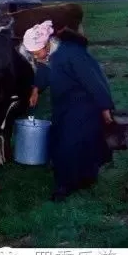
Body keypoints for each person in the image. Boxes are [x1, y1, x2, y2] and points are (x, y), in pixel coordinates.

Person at [23, 20, 115, 202]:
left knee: (69, 144)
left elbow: (94, 80)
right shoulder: (49, 55)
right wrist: (35, 88)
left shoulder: (72, 54)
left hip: (84, 105)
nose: (35, 58)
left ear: (46, 44)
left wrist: (105, 108)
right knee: (64, 140)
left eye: (36, 53)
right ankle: (85, 178)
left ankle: (64, 186)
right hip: (64, 105)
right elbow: (44, 70)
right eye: (32, 55)